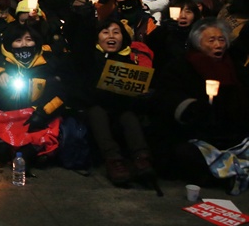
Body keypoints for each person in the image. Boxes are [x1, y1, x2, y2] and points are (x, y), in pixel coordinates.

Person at [152, 19, 249, 191]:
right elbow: (168, 95)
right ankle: (223, 176)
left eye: (221, 40)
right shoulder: (182, 65)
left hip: (233, 134)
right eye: (211, 40)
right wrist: (193, 108)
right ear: (198, 43)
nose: (218, 45)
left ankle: (229, 171)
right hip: (197, 134)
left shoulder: (234, 67)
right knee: (184, 153)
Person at [72, 20, 154, 186]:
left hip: (119, 110)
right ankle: (114, 160)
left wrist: (140, 95)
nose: (111, 36)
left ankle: (141, 159)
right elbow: (82, 91)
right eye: (106, 32)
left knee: (128, 116)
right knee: (97, 112)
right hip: (94, 108)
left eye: (116, 32)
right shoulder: (89, 59)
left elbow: (129, 100)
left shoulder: (129, 63)